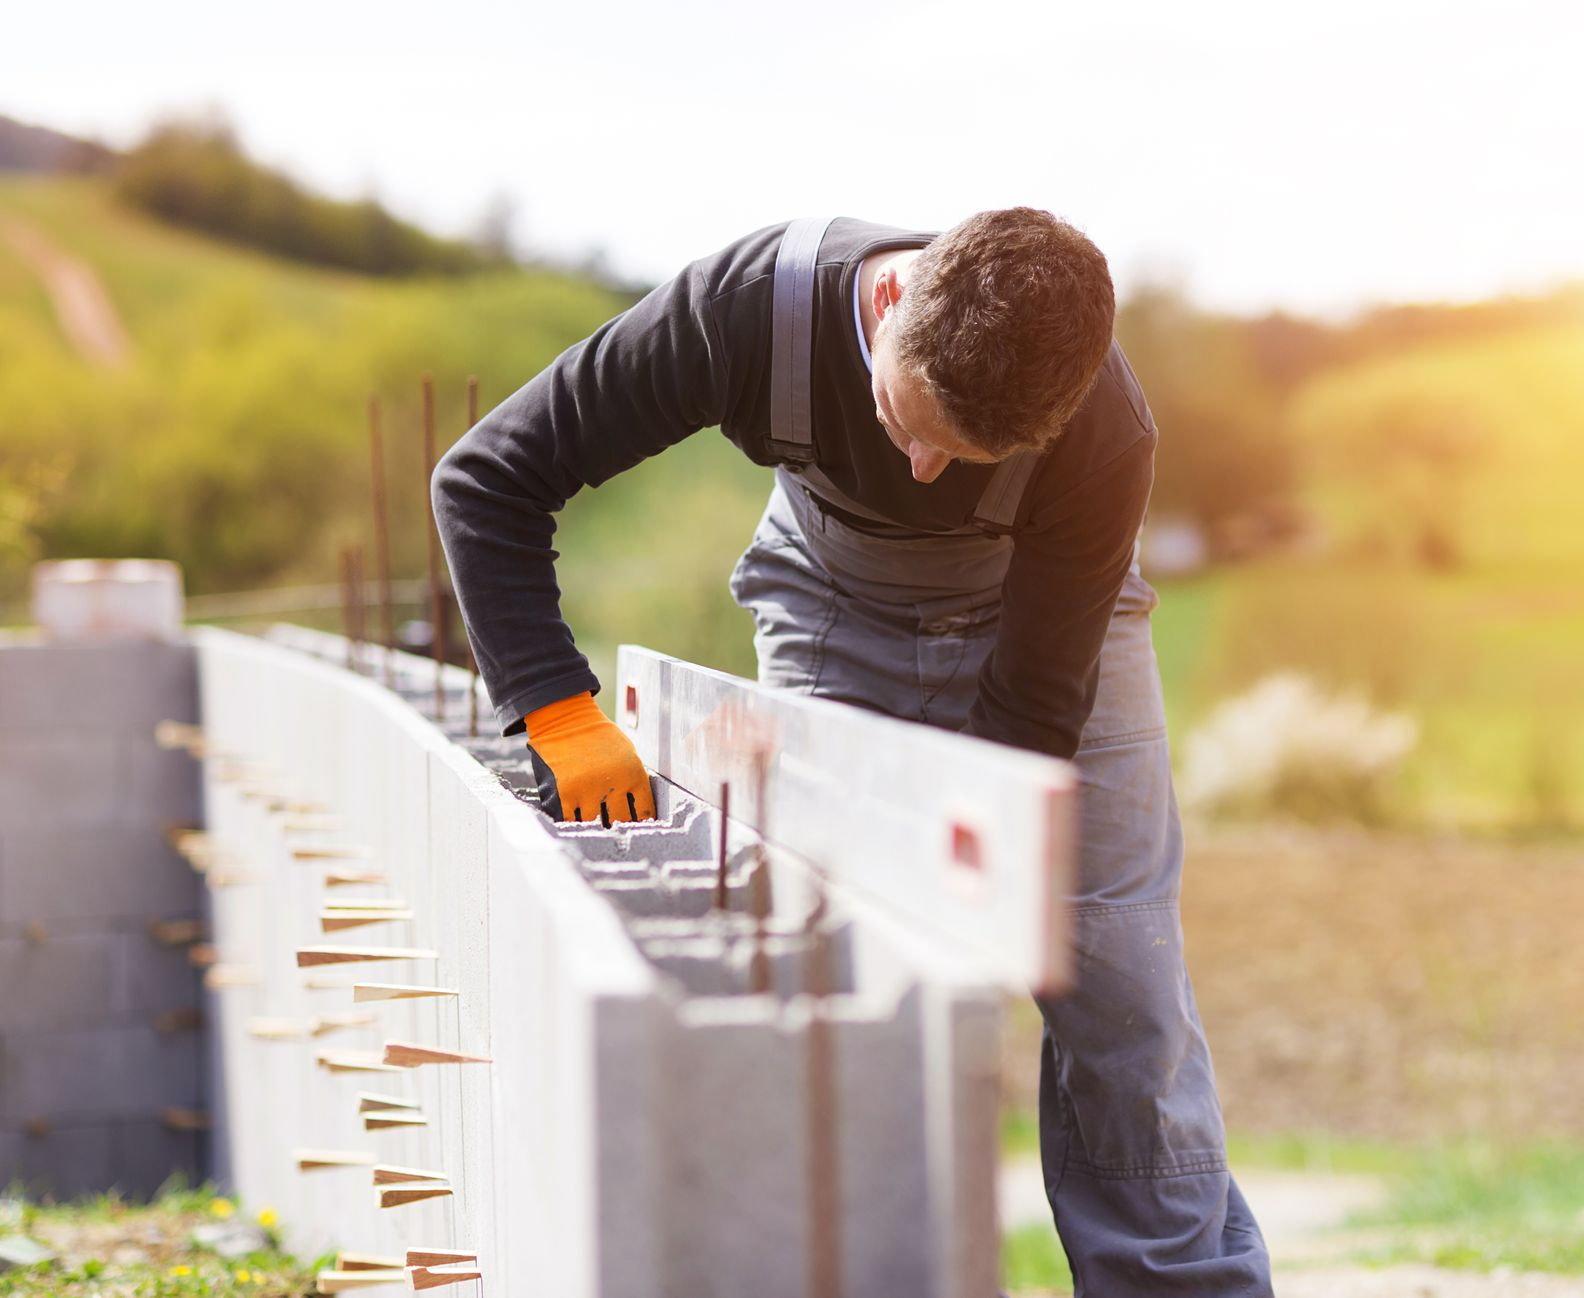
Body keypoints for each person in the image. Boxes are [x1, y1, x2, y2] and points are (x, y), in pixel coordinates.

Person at [432, 208, 1273, 1296]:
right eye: (907, 418)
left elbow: (1031, 716)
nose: (924, 469)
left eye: (966, 455)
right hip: (831, 602)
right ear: (886, 305)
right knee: (826, 954)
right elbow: (487, 478)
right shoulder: (744, 316)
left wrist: (986, 881)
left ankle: (1177, 1283)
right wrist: (557, 711)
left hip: (1051, 629)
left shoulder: (1106, 430)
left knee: (1122, 977)